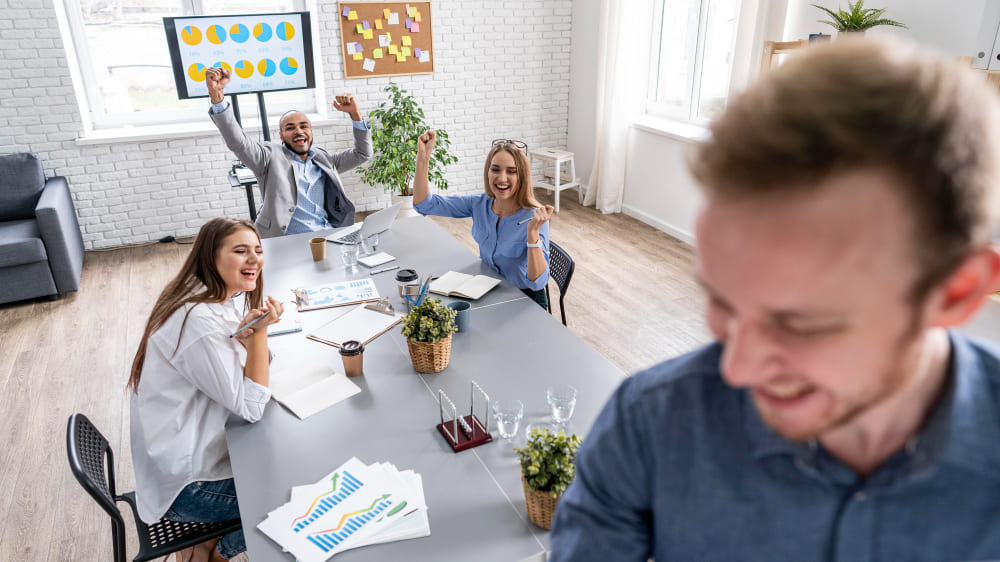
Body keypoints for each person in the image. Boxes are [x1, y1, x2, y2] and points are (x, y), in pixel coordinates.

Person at [549, 38, 1000, 561]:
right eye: (722, 302)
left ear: (955, 291)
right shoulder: (650, 422)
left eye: (801, 324)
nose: (736, 369)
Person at [128, 217, 284, 561]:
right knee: (291, 490)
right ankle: (216, 553)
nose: (255, 259)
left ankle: (205, 546)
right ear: (210, 257)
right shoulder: (197, 320)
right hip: (188, 489)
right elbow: (252, 406)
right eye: (240, 251)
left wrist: (251, 339)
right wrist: (258, 335)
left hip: (188, 459)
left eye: (258, 250)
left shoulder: (218, 298)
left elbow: (257, 365)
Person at [205, 67, 373, 238]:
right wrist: (217, 98)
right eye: (290, 128)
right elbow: (238, 142)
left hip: (327, 234)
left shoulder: (323, 159)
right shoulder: (268, 158)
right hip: (287, 240)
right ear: (281, 136)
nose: (298, 131)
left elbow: (362, 153)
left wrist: (355, 114)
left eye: (304, 126)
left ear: (311, 132)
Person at [413, 131, 554, 308]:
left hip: (525, 301)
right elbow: (424, 204)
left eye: (512, 172)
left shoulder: (533, 217)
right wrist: (423, 158)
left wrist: (532, 233)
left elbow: (537, 283)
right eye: (495, 169)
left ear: (522, 177)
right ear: (488, 171)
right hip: (491, 291)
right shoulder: (479, 204)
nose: (502, 178)